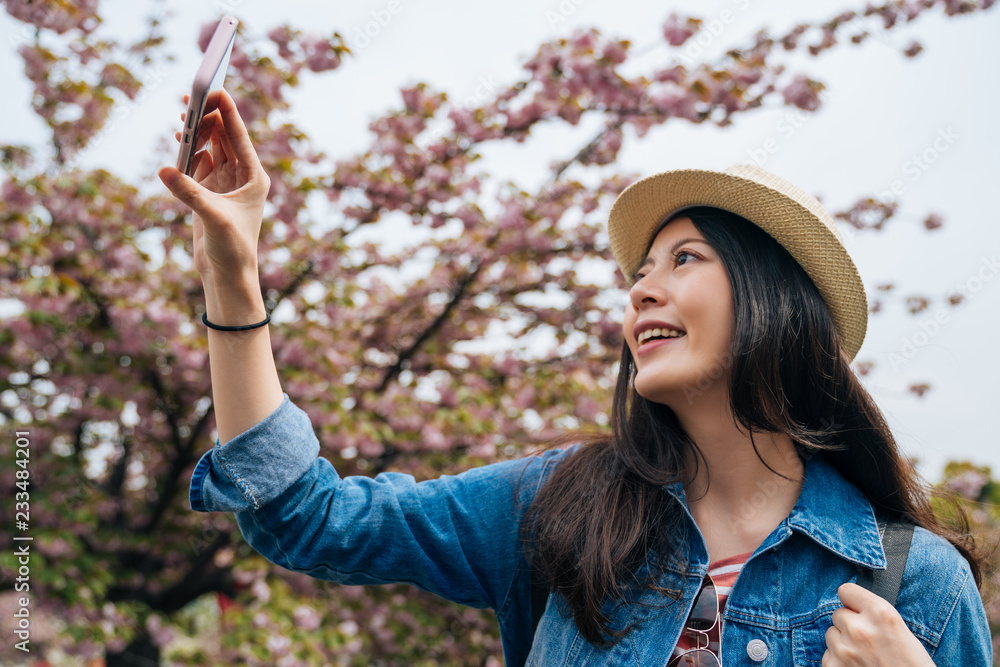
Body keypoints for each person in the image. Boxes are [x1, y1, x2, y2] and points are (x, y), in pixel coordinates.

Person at [159, 89, 993, 667]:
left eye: (685, 258)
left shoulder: (914, 585)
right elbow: (307, 516)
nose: (642, 288)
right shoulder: (562, 505)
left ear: (774, 302)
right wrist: (233, 276)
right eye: (638, 272)